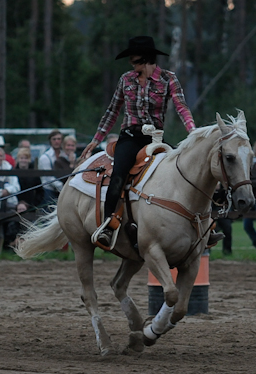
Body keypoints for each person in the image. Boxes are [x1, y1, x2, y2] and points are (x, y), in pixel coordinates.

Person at [83, 36, 199, 248]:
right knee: (119, 173)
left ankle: (200, 226)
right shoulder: (126, 79)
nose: (131, 65)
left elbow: (181, 106)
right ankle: (109, 224)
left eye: (134, 61)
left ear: (146, 60)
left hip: (155, 138)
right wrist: (96, 139)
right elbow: (113, 110)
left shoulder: (168, 79)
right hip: (130, 137)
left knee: (182, 171)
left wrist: (193, 132)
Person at [38, 130, 64, 206]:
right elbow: (49, 178)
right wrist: (62, 187)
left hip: (62, 190)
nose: (56, 141)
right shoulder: (45, 157)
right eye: (54, 139)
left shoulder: (64, 154)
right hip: (49, 191)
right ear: (50, 141)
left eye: (59, 139)